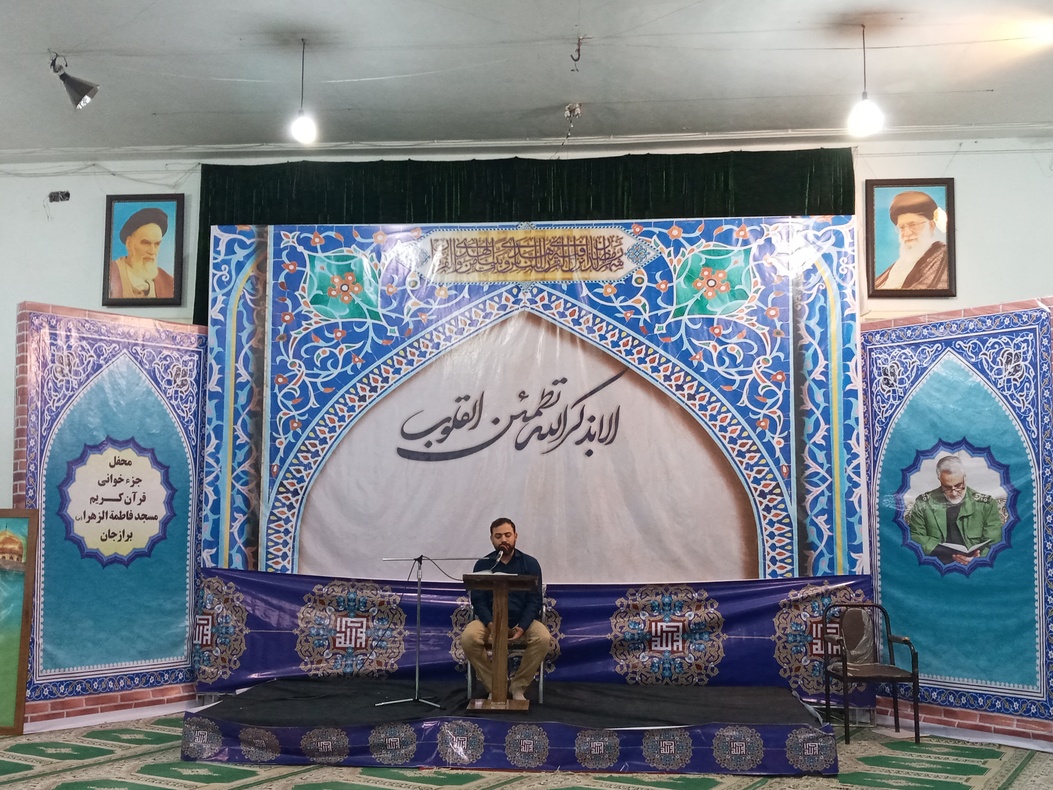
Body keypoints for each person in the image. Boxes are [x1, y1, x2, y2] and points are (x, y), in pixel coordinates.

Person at [460, 517, 550, 701]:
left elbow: (534, 600)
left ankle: (518, 687)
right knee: (469, 638)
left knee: (543, 638)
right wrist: (491, 624)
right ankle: (496, 685)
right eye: (498, 536)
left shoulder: (530, 564)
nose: (504, 540)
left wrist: (522, 627)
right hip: (489, 622)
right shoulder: (483, 564)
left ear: (515, 536)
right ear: (491, 539)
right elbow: (479, 600)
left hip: (521, 622)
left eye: (508, 535)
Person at [907, 455, 1003, 563]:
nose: (953, 492)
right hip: (935, 563)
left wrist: (978, 559)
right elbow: (916, 537)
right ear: (939, 479)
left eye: (958, 485)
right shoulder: (924, 503)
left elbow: (994, 541)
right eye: (947, 487)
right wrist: (942, 551)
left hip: (976, 564)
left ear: (964, 477)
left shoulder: (986, 504)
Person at [874, 191, 949, 291]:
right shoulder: (902, 262)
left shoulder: (942, 256)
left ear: (931, 225)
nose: (907, 233)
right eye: (902, 227)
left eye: (913, 225)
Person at [110, 207, 175, 299]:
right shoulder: (110, 273)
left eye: (157, 244)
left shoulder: (169, 283)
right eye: (146, 243)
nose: (152, 251)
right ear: (129, 243)